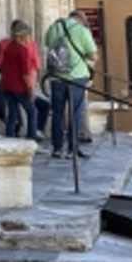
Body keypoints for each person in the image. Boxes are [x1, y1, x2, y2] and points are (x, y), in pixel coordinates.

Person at [45, 12, 98, 159]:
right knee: (75, 112)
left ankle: (57, 148)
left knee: (57, 112)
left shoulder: (54, 27)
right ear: (80, 20)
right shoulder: (81, 30)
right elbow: (93, 55)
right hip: (77, 76)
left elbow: (48, 44)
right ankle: (71, 149)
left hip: (56, 76)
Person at [0, 20, 41, 140]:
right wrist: (30, 89)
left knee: (12, 114)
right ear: (23, 35)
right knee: (32, 111)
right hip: (19, 87)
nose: (29, 38)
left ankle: (10, 138)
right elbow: (25, 73)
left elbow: (2, 64)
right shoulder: (23, 50)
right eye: (28, 35)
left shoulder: (9, 47)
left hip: (7, 85)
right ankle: (32, 137)